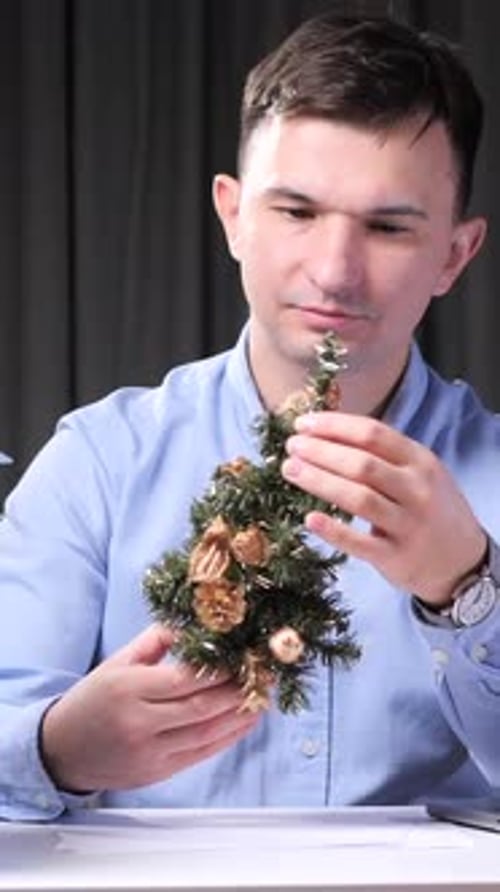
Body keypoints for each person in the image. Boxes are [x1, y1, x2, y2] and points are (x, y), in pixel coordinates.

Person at [0, 10, 499, 823]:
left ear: (454, 254)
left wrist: (469, 591)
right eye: (296, 212)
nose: (335, 273)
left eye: (387, 227)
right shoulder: (96, 462)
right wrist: (55, 749)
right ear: (233, 216)